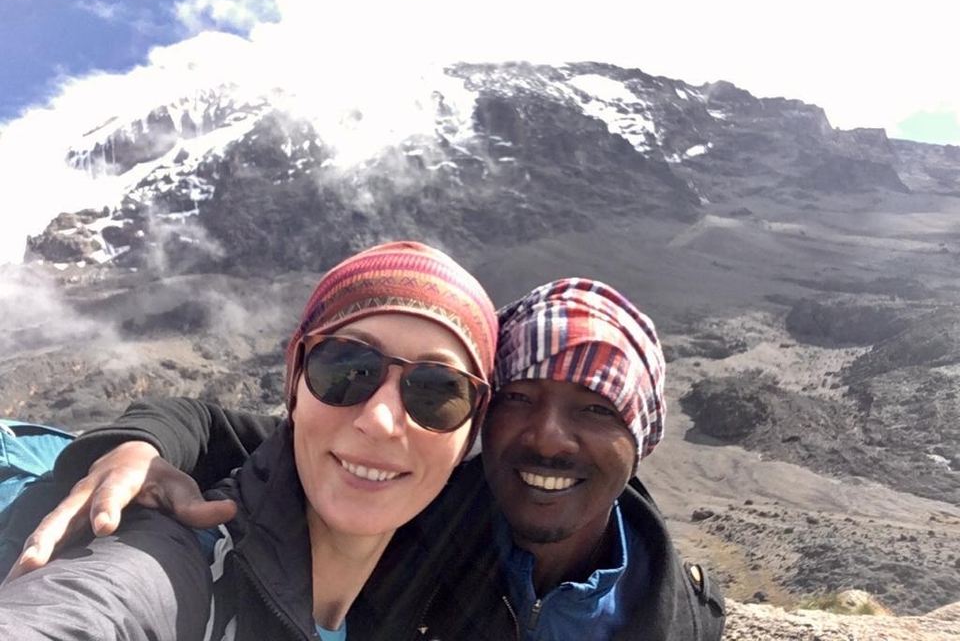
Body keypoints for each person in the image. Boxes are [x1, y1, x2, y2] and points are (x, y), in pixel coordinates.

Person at [5, 278, 725, 640]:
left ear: (644, 437)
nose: (548, 438)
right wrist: (133, 447)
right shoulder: (417, 500)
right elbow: (217, 428)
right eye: (518, 399)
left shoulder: (678, 612)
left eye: (598, 409)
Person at [0, 240, 499, 641]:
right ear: (294, 388)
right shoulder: (178, 566)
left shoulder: (444, 579)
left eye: (438, 392)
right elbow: (91, 610)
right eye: (347, 368)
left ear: (470, 435)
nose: (382, 420)